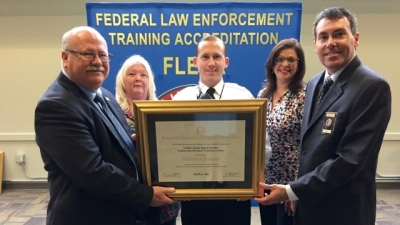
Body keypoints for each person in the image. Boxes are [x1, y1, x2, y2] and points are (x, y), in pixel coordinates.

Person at [254, 7, 392, 225]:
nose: (330, 43)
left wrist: (292, 190)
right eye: (323, 37)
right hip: (308, 206)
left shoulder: (371, 87)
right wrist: (297, 191)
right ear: (316, 46)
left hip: (342, 211)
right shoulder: (317, 82)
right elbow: (308, 147)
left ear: (355, 39)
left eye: (339, 34)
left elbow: (349, 160)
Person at [34, 26, 174, 225]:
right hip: (86, 217)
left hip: (117, 211)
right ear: (65, 58)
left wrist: (142, 144)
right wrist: (146, 195)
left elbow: (116, 148)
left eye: (103, 54)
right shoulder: (56, 106)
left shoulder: (104, 96)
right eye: (88, 54)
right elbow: (92, 172)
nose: (98, 62)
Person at [172, 35, 253, 225]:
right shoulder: (180, 101)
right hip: (193, 196)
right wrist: (178, 185)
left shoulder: (244, 98)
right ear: (195, 62)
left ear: (226, 62)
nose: (211, 63)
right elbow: (173, 149)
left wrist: (250, 183)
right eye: (205, 57)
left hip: (235, 194)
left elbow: (259, 144)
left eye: (216, 57)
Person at [115, 54, 181, 225]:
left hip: (164, 203)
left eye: (143, 75)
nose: (138, 78)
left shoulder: (162, 112)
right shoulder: (113, 113)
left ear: (149, 81)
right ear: (122, 80)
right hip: (131, 199)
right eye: (132, 74)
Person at [257, 38, 306, 225]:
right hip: (266, 179)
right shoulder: (262, 95)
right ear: (272, 64)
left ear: (299, 65)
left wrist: (294, 189)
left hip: (290, 181)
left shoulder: (305, 96)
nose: (285, 64)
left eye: (291, 60)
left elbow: (308, 145)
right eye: (279, 59)